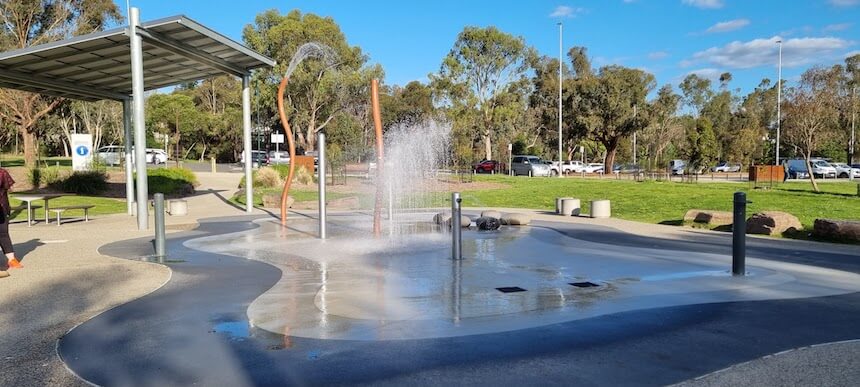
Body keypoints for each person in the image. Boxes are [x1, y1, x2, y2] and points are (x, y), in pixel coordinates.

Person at [0, 167, 20, 279]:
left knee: (3, 233)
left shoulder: (2, 173)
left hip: (2, 207)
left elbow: (7, 188)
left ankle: (12, 259)